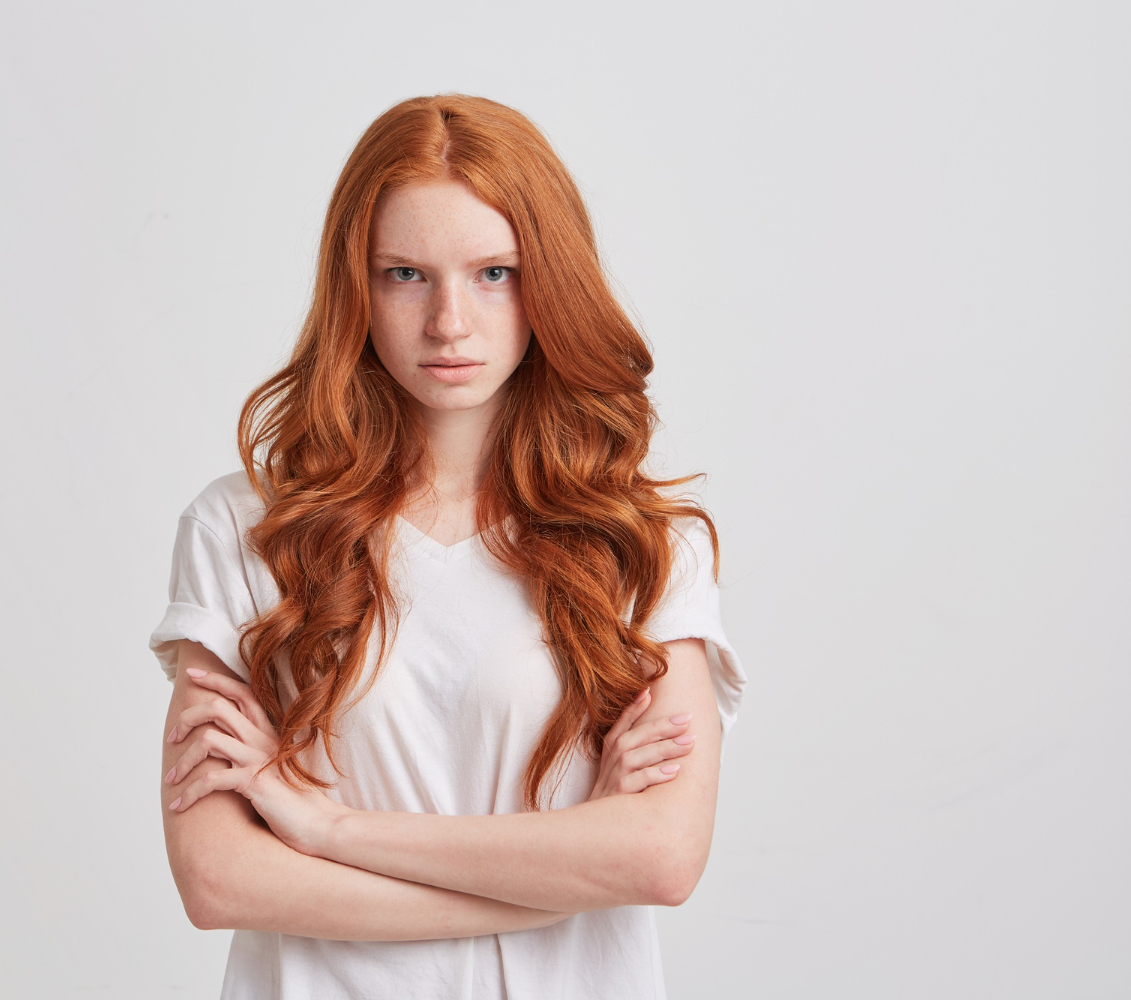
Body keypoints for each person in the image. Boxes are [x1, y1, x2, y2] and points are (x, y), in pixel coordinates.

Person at [148, 94, 746, 1000]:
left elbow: (661, 857)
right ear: (356, 285)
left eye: (494, 273)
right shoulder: (242, 530)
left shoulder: (643, 544)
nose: (450, 323)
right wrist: (554, 880)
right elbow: (222, 879)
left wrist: (325, 829)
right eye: (405, 275)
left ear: (549, 279)